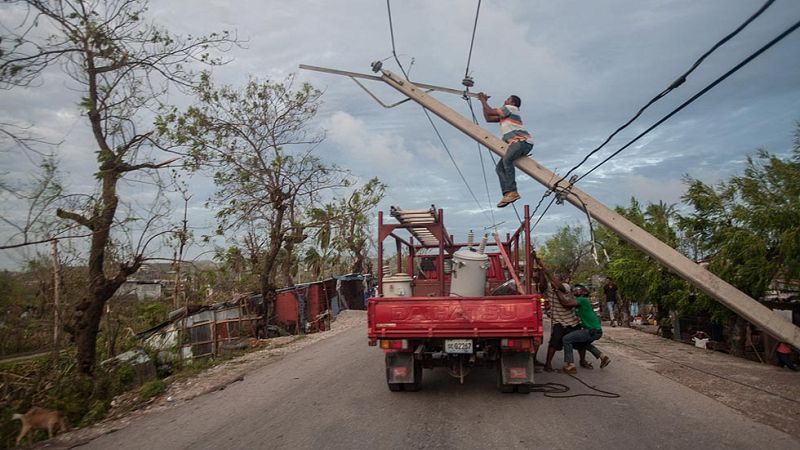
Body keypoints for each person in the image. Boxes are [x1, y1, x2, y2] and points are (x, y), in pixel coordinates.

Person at [477, 92, 534, 208]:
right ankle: (508, 193)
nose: (505, 101)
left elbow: (490, 111)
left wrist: (483, 100)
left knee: (507, 161)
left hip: (522, 142)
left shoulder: (511, 108)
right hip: (518, 144)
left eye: (507, 99)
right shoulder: (507, 115)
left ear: (513, 103)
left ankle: (513, 191)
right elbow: (488, 118)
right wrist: (483, 102)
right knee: (499, 168)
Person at [543, 276, 592, 372]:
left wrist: (555, 289)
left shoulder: (566, 287)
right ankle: (548, 364)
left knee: (581, 343)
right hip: (558, 322)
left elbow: (564, 302)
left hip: (571, 321)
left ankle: (582, 360)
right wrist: (541, 270)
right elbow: (542, 285)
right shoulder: (550, 287)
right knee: (554, 343)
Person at [561, 284, 611, 374]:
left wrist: (557, 292)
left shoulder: (582, 299)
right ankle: (603, 357)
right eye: (575, 289)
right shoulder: (581, 301)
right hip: (596, 331)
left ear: (583, 292)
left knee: (566, 339)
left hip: (592, 330)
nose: (576, 290)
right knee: (583, 343)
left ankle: (570, 365)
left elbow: (566, 304)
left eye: (578, 289)